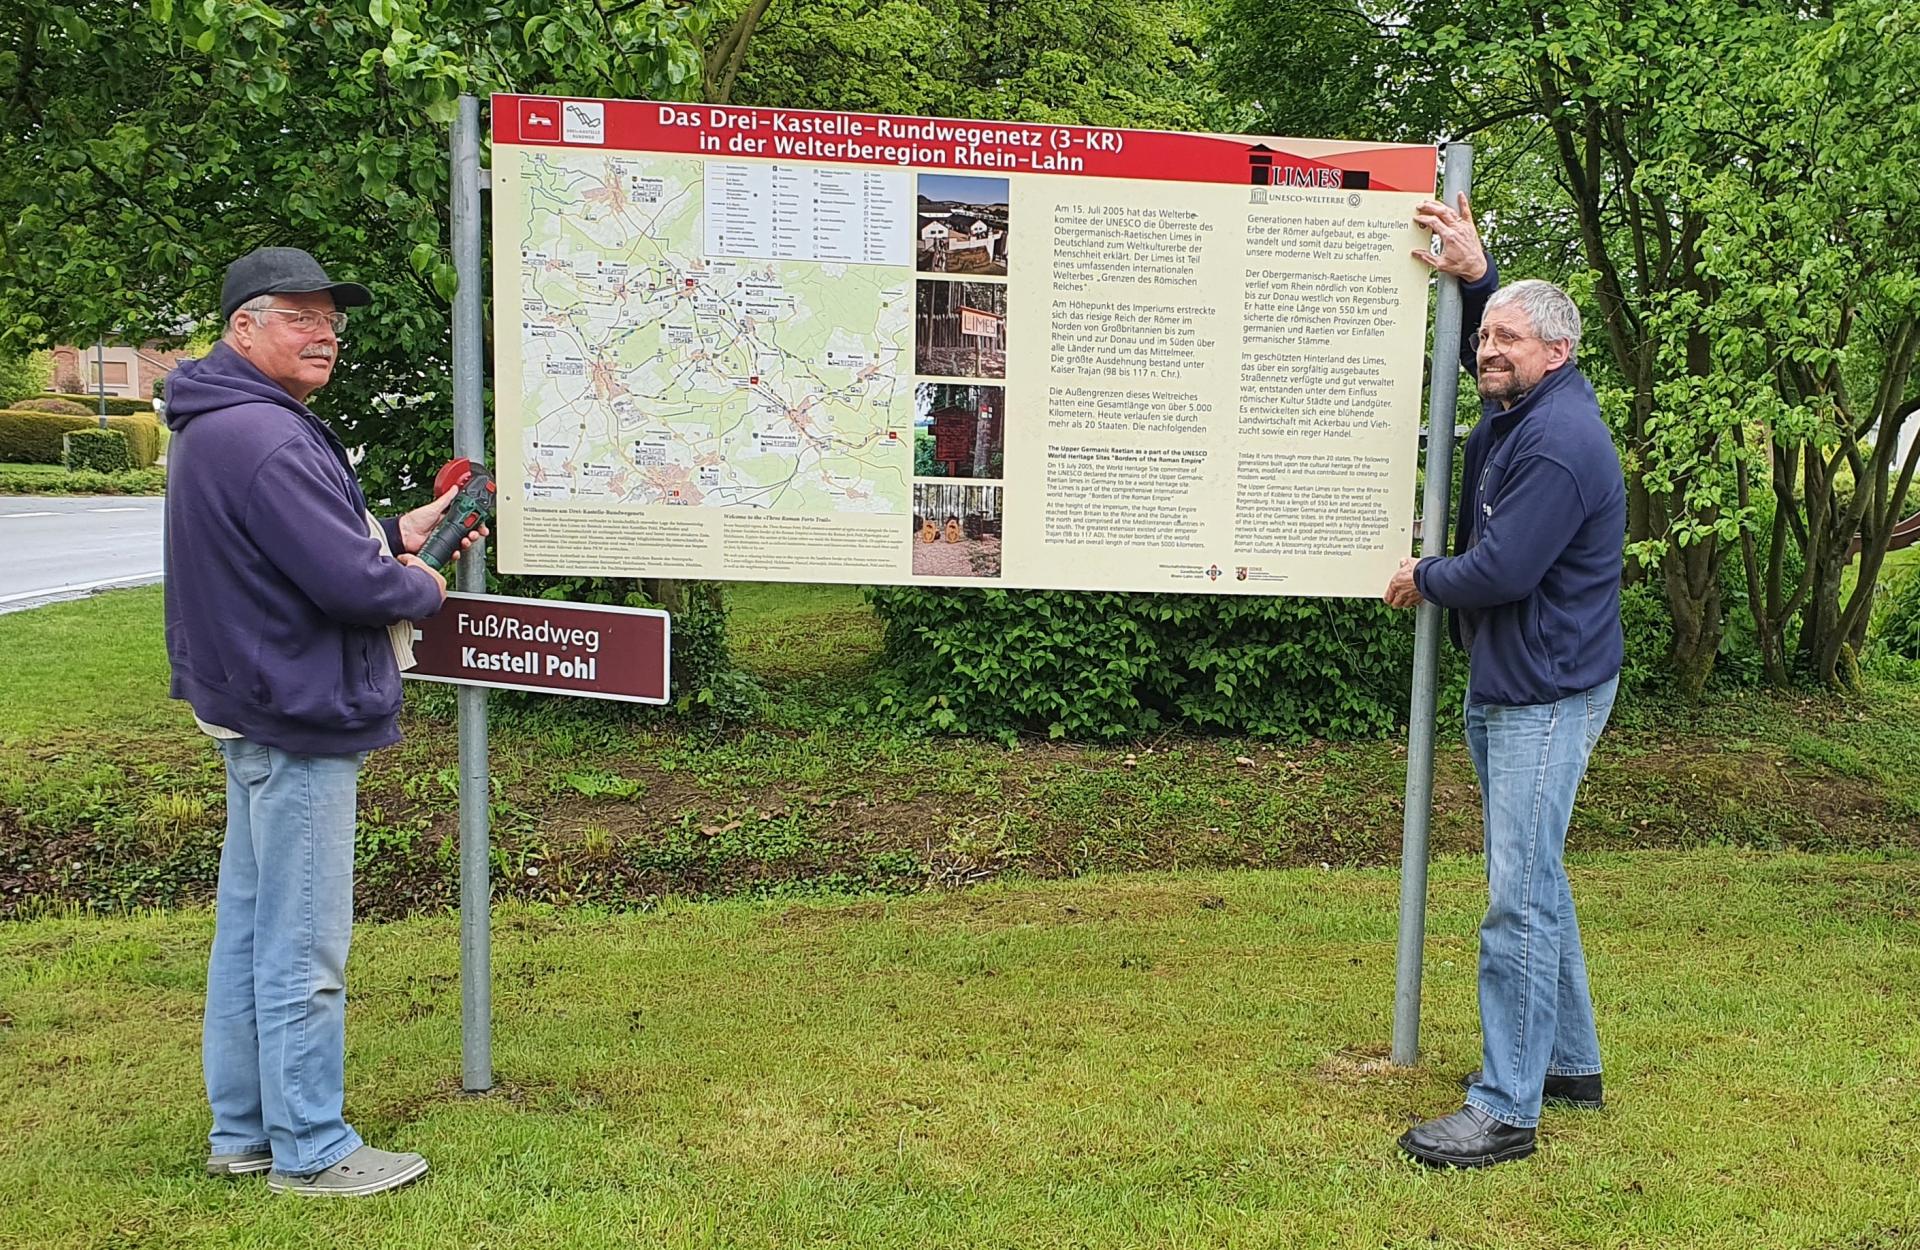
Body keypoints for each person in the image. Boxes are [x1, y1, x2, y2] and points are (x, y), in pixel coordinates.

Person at [164, 246, 481, 1197]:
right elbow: (348, 585)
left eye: (331, 320)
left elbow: (298, 551)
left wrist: (398, 531)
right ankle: (311, 1148)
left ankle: (243, 1132)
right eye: (300, 316)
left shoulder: (222, 425)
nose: (325, 334)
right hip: (297, 714)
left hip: (253, 708)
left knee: (254, 933)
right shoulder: (265, 436)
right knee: (303, 944)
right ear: (243, 328)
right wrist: (416, 579)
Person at [1384, 197, 1626, 1169]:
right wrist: (1480, 277)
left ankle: (1506, 1106)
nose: (1489, 350)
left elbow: (1501, 571)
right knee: (1538, 880)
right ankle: (1567, 1062)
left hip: (1544, 692)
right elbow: (1503, 337)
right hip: (1520, 677)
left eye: (1507, 340)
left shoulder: (1561, 444)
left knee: (1516, 898)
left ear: (1557, 352)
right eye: (1483, 336)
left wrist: (1421, 575)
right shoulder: (1530, 404)